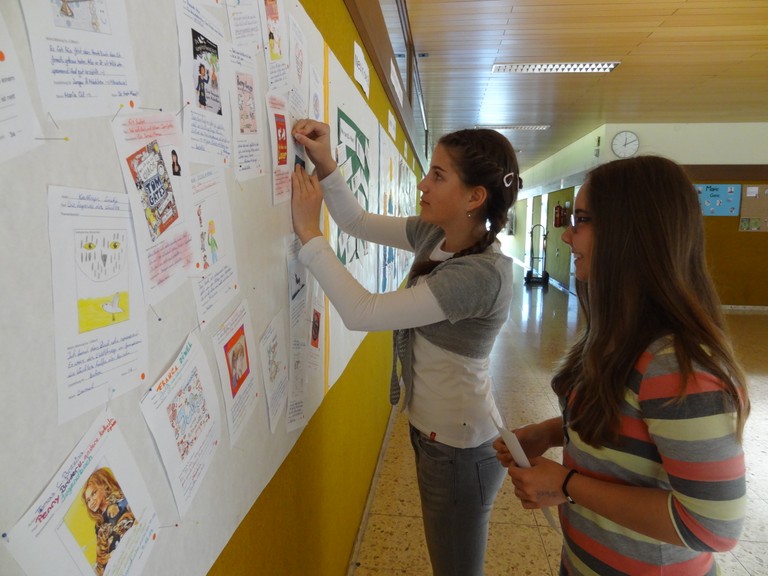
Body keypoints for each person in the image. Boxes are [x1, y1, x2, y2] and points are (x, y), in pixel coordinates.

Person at [493, 156, 750, 576]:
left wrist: (566, 484)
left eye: (581, 220)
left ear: (631, 233)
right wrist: (550, 432)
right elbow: (628, 422)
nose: (566, 235)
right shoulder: (617, 336)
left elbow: (712, 527)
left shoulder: (676, 367)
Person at [291, 118, 521, 575]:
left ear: (474, 197)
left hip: (459, 449)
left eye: (438, 175)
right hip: (434, 436)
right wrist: (326, 164)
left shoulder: (480, 274)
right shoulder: (437, 235)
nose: (422, 184)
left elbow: (363, 313)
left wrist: (309, 235)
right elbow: (356, 222)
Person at [81, 468, 136, 576]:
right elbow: (101, 557)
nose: (91, 502)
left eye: (94, 493)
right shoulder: (99, 525)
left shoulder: (121, 502)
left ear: (104, 486)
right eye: (88, 500)